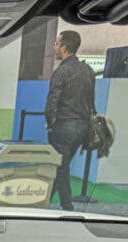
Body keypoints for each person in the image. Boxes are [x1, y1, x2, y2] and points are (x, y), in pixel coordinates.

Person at [45, 30, 95, 211]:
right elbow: (91, 101)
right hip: (83, 127)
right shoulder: (88, 70)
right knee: (61, 165)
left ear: (64, 47)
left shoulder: (61, 72)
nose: (55, 47)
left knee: (60, 166)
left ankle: (67, 206)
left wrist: (50, 124)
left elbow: (52, 101)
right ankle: (45, 201)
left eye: (57, 44)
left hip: (64, 126)